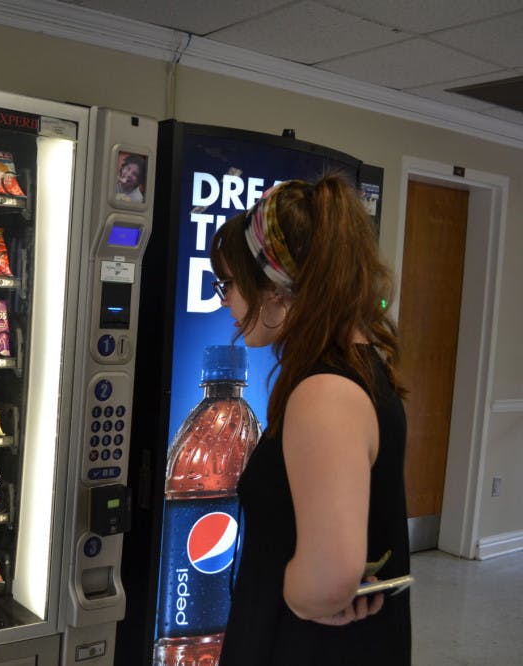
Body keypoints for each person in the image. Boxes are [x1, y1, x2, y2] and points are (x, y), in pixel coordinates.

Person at [209, 173, 411, 665]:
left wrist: (300, 593)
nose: (224, 302)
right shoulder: (358, 366)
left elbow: (331, 577)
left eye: (229, 284)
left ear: (275, 288)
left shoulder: (324, 392)